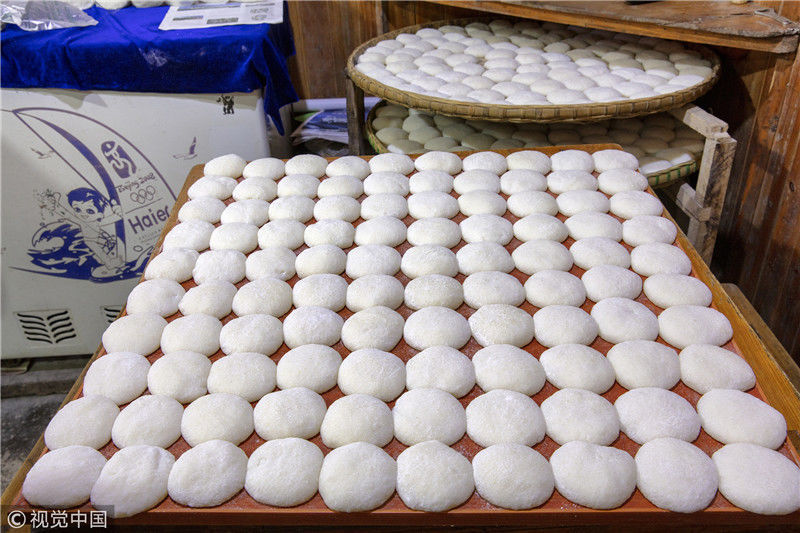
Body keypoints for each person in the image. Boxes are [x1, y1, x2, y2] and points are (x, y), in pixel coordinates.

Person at [54, 188, 125, 277]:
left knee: (104, 249)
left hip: (95, 240)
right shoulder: (83, 221)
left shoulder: (96, 222)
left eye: (90, 211)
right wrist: (57, 206)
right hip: (90, 241)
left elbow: (111, 219)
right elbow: (67, 215)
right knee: (101, 252)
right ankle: (109, 264)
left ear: (99, 213)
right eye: (77, 210)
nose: (83, 214)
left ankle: (108, 262)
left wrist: (118, 213)